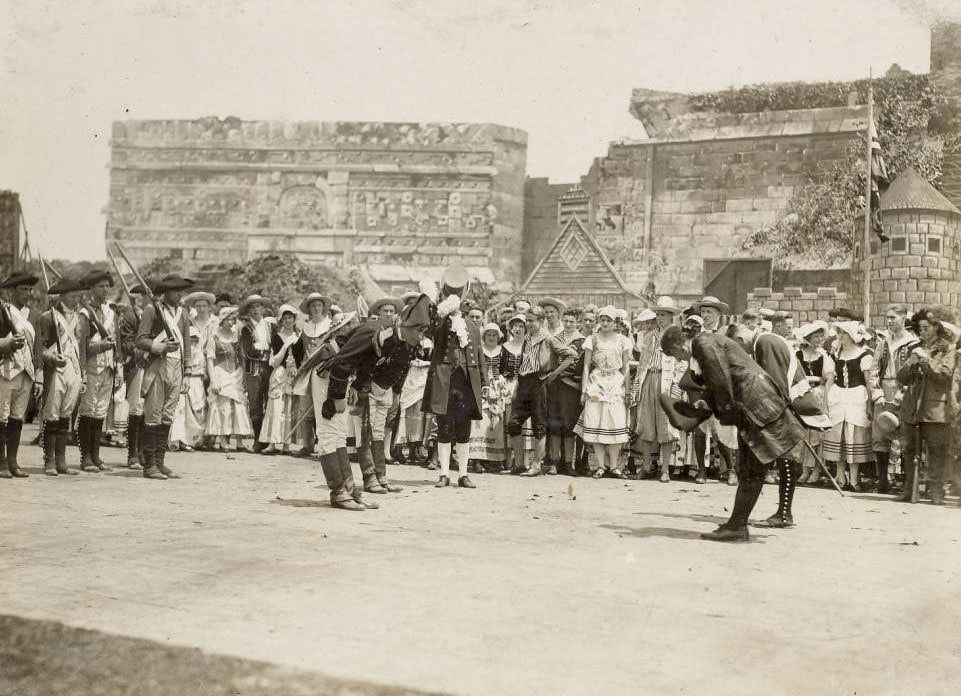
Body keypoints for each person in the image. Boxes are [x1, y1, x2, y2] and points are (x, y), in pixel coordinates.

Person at [661, 324, 807, 542]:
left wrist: (724, 411)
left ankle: (737, 526)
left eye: (675, 354)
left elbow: (720, 379)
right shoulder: (709, 341)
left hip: (754, 406)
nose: (680, 359)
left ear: (679, 344)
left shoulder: (702, 343)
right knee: (750, 467)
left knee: (751, 467)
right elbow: (720, 377)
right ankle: (737, 525)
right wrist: (707, 404)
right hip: (759, 403)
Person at [324, 300, 430, 505]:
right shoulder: (375, 331)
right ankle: (362, 480)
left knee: (374, 432)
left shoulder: (397, 338)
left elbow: (377, 365)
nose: (420, 338)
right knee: (356, 432)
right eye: (418, 331)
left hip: (373, 386)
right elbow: (346, 359)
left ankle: (371, 479)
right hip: (342, 378)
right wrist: (344, 393)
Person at [423, 266, 487, 489]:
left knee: (464, 430)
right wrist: (439, 309)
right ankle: (443, 474)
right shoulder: (440, 321)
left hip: (467, 383)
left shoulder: (471, 325)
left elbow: (479, 356)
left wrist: (485, 383)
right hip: (444, 382)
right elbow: (429, 327)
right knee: (444, 428)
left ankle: (462, 474)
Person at [505, 305, 577, 477]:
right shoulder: (527, 338)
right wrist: (516, 387)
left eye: (531, 321)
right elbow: (524, 363)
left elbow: (571, 355)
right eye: (527, 320)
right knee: (513, 423)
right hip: (523, 383)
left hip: (539, 382)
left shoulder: (548, 338)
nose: (528, 324)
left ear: (541, 321)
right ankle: (520, 464)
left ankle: (536, 465)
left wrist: (553, 374)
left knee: (539, 425)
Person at [135, 274, 194, 480]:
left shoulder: (184, 313)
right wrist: (159, 346)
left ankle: (160, 463)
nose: (179, 294)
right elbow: (140, 340)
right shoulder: (152, 310)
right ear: (166, 292)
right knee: (153, 414)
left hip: (177, 367)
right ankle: (149, 465)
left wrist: (187, 372)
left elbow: (186, 343)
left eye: (181, 291)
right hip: (158, 365)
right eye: (175, 291)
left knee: (167, 416)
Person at [897, 307, 958, 504]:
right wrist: (910, 363)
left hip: (935, 409)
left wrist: (926, 361)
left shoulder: (947, 349)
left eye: (926, 328)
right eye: (919, 328)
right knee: (910, 449)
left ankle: (936, 491)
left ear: (937, 328)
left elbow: (945, 376)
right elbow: (902, 378)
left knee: (937, 450)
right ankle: (909, 490)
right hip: (913, 407)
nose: (922, 332)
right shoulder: (914, 347)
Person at [34, 276, 86, 477]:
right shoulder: (48, 317)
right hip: (55, 370)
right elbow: (41, 348)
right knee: (52, 415)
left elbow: (80, 347)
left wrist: (83, 372)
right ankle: (49, 461)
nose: (76, 299)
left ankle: (62, 461)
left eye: (78, 295)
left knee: (66, 416)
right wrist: (51, 357)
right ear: (63, 296)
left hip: (73, 369)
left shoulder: (80, 319)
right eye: (73, 296)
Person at [632, 296, 685, 483]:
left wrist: (676, 385)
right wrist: (637, 385)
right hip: (649, 379)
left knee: (666, 424)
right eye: (659, 314)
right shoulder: (649, 336)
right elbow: (641, 364)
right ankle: (646, 467)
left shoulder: (676, 336)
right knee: (646, 423)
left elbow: (681, 363)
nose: (661, 318)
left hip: (667, 380)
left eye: (664, 315)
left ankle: (665, 469)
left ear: (672, 317)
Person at [574, 306, 632, 477]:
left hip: (615, 383)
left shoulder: (623, 340)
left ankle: (614, 466)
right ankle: (601, 466)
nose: (605, 323)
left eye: (609, 320)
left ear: (615, 323)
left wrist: (627, 391)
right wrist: (584, 390)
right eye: (602, 320)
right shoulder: (592, 339)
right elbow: (586, 365)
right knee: (597, 422)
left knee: (615, 422)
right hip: (597, 382)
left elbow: (627, 367)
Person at [869, 304, 918, 494]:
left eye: (893, 318)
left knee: (904, 435)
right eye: (887, 317)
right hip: (884, 389)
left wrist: (903, 391)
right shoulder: (883, 342)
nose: (889, 321)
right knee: (880, 434)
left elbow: (914, 373)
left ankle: (904, 482)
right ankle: (883, 481)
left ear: (904, 318)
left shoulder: (912, 343)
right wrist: (877, 392)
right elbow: (873, 370)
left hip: (903, 391)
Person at [690, 296, 738, 484]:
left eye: (710, 311)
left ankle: (731, 470)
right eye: (703, 312)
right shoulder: (696, 336)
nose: (706, 315)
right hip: (701, 385)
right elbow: (692, 362)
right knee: (700, 430)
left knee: (722, 429)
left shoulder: (725, 335)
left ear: (718, 314)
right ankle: (701, 470)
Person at [823, 321, 876, 492]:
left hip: (856, 398)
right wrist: (825, 403)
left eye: (844, 333)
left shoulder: (863, 355)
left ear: (852, 335)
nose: (841, 336)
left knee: (853, 436)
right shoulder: (835, 355)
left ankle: (854, 478)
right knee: (839, 436)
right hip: (838, 397)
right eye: (839, 332)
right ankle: (840, 475)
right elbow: (830, 381)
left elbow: (869, 382)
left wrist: (870, 403)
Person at [76, 269, 118, 471]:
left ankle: (96, 455)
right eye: (100, 286)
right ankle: (86, 457)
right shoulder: (85, 314)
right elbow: (82, 345)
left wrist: (116, 362)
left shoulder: (112, 311)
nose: (105, 289)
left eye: (107, 286)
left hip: (109, 367)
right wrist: (102, 346)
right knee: (88, 411)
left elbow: (116, 340)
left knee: (100, 412)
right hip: (92, 367)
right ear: (92, 289)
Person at [0, 272, 39, 479]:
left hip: (26, 372)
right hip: (6, 370)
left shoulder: (31, 315)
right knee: (2, 417)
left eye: (29, 289)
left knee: (17, 417)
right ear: (12, 291)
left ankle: (13, 461)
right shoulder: (3, 311)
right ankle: (1, 462)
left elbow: (37, 348)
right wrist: (7, 344)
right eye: (23, 289)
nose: (28, 293)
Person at [205, 306, 254, 453]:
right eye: (229, 319)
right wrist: (213, 380)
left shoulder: (236, 335)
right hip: (220, 372)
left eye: (233, 319)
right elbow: (209, 360)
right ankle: (223, 440)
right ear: (222, 320)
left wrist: (244, 375)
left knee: (238, 406)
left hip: (235, 372)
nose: (232, 322)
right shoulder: (214, 336)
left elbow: (241, 356)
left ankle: (239, 441)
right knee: (223, 406)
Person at [794, 321, 836, 485]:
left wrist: (824, 397)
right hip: (801, 392)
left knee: (817, 434)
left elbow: (827, 378)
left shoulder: (824, 355)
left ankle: (817, 470)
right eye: (815, 336)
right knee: (804, 433)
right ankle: (804, 469)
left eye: (821, 336)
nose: (819, 339)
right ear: (808, 338)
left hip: (817, 393)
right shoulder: (798, 354)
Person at [468, 323, 510, 470]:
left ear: (498, 337)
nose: (491, 337)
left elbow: (505, 369)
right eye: (488, 335)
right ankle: (476, 458)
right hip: (482, 386)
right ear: (483, 336)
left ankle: (493, 459)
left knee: (496, 421)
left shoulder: (502, 350)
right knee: (480, 421)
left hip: (498, 388)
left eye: (494, 335)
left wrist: (502, 380)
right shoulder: (480, 349)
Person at [260, 304, 300, 454]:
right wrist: (285, 345)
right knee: (276, 407)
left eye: (290, 318)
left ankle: (286, 444)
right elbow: (275, 361)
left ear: (294, 319)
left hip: (293, 374)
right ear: (281, 321)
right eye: (285, 318)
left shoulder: (299, 337)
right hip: (279, 373)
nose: (288, 321)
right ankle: (272, 443)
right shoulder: (277, 337)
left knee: (289, 408)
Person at [238, 294, 271, 453]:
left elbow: (275, 345)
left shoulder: (270, 325)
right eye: (252, 307)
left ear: (263, 308)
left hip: (270, 368)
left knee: (269, 402)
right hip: (254, 369)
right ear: (249, 310)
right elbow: (249, 351)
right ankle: (258, 440)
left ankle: (268, 439)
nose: (256, 309)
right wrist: (265, 352)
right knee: (255, 404)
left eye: (258, 306)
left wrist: (267, 351)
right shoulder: (247, 328)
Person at [169, 327, 207, 451]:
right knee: (182, 412)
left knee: (198, 411)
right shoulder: (184, 353)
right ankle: (181, 440)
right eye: (190, 340)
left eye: (195, 340)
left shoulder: (200, 352)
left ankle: (194, 441)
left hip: (198, 383)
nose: (193, 343)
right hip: (186, 381)